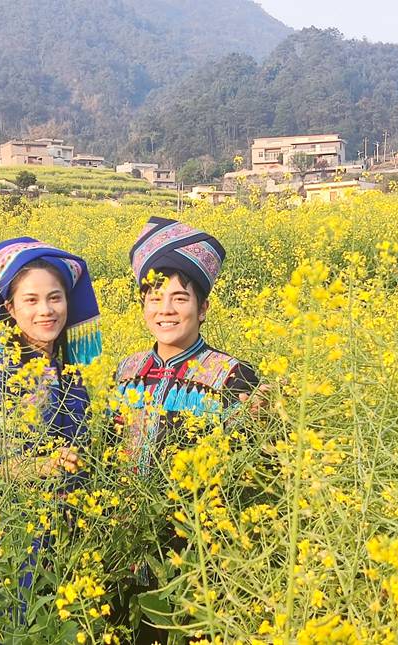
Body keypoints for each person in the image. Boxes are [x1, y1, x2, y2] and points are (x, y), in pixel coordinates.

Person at [113, 216, 267, 642]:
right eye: (154, 297)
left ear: (203, 308)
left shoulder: (233, 376)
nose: (165, 309)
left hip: (195, 552)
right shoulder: (125, 371)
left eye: (180, 298)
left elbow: (251, 470)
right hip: (126, 542)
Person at [0, 237, 102, 644]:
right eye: (31, 301)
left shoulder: (73, 372)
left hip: (65, 534)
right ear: (11, 310)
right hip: (8, 536)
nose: (45, 310)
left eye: (54, 298)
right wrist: (47, 467)